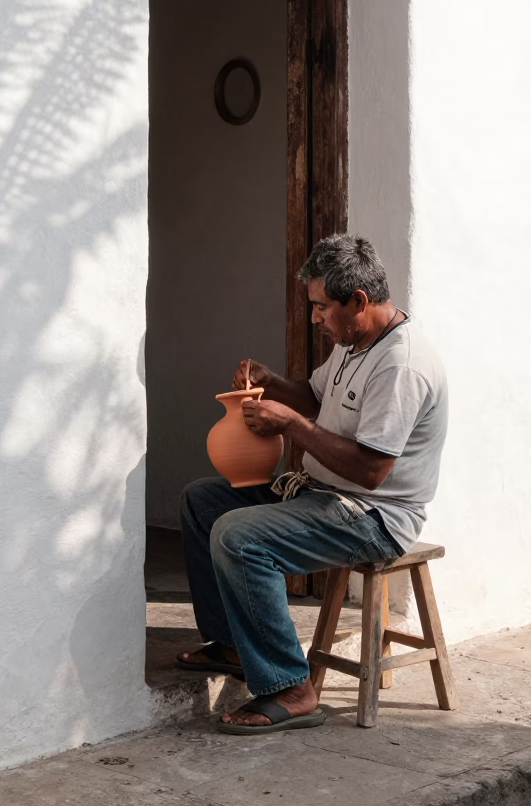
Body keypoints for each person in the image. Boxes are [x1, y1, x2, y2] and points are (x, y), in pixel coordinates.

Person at [176, 234, 448, 734]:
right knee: (203, 501)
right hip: (323, 494)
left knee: (237, 536)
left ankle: (291, 688)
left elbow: (370, 469)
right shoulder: (354, 342)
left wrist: (291, 425)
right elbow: (312, 395)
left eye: (322, 307)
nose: (315, 318)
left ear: (358, 301)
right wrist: (272, 381)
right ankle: (234, 642)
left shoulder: (400, 365)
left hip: (373, 516)